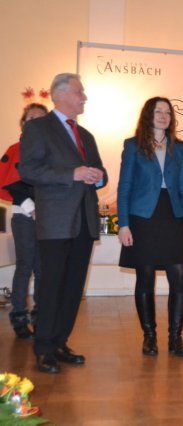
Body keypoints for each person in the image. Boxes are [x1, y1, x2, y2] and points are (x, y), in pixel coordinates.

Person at [20, 73, 107, 374]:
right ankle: (44, 347)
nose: (85, 97)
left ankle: (60, 342)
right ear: (61, 94)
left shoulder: (86, 135)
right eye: (80, 92)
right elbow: (28, 170)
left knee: (73, 287)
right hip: (56, 221)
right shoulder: (38, 128)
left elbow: (100, 170)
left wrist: (98, 176)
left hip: (84, 220)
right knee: (51, 285)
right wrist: (71, 174)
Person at [117, 96, 183, 358]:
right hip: (142, 217)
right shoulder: (133, 145)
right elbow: (124, 187)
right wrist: (124, 224)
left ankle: (176, 338)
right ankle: (149, 337)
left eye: (168, 112)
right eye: (158, 111)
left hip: (173, 216)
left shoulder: (178, 147)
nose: (163, 116)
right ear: (148, 115)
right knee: (145, 277)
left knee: (179, 276)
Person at [0, 103, 47, 339]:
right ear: (23, 123)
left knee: (43, 268)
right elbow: (9, 182)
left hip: (48, 217)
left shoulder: (51, 151)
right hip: (24, 217)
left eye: (41, 118)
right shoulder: (15, 148)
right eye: (31, 117)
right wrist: (32, 208)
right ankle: (19, 316)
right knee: (25, 266)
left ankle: (40, 315)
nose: (35, 121)